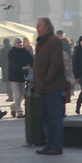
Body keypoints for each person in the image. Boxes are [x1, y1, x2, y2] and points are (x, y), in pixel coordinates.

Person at [33, 17, 66, 155]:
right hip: (43, 86)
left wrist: (47, 79)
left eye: (39, 26)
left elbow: (55, 63)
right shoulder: (41, 42)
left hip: (52, 86)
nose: (37, 28)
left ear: (47, 27)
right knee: (46, 117)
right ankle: (49, 144)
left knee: (55, 116)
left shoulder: (54, 41)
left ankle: (57, 146)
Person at [6, 38, 31, 117]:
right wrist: (21, 67)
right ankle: (19, 112)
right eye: (18, 43)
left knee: (23, 95)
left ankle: (14, 107)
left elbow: (31, 60)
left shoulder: (25, 52)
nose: (19, 44)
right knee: (17, 94)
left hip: (23, 76)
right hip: (14, 76)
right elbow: (12, 64)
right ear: (15, 43)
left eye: (20, 42)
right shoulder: (11, 52)